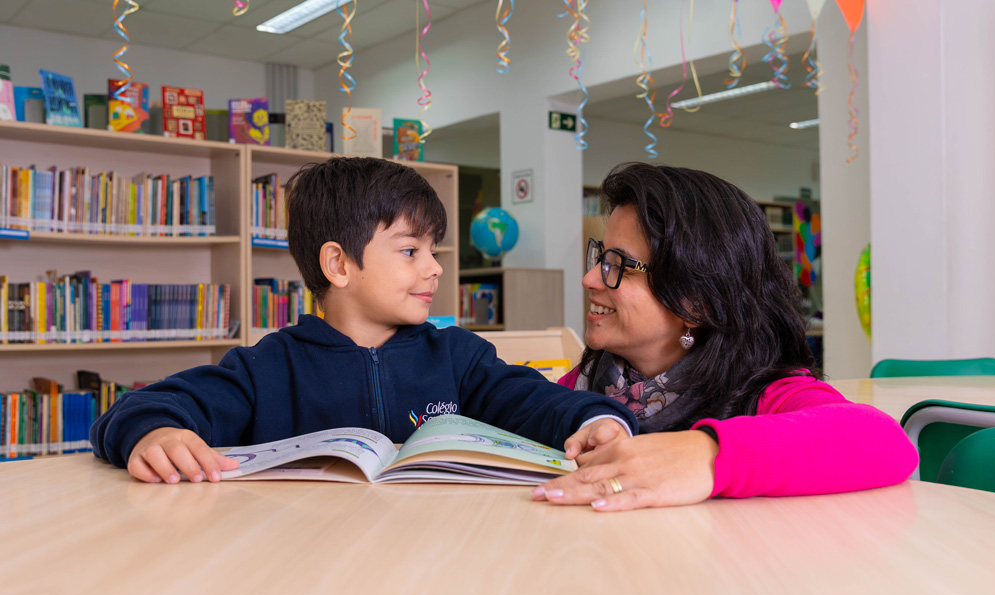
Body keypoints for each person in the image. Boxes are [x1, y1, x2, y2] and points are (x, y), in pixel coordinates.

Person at [90, 157, 637, 484]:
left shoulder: (457, 356)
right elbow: (144, 407)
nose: (434, 268)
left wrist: (594, 421)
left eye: (433, 250)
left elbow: (532, 398)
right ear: (338, 264)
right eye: (409, 251)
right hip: (303, 567)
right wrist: (154, 434)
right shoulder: (266, 367)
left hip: (434, 559)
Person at [531, 162, 918, 511]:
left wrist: (706, 455)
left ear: (696, 302)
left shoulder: (762, 393)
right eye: (600, 257)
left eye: (619, 266)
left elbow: (881, 441)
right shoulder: (585, 385)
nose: (589, 279)